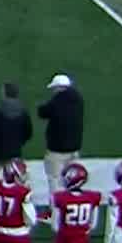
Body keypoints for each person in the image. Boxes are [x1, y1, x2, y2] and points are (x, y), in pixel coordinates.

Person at [39, 74, 84, 203]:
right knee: (72, 179)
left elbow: (43, 112)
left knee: (55, 181)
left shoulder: (57, 101)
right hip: (74, 147)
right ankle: (71, 206)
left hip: (57, 150)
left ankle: (56, 210)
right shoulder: (78, 99)